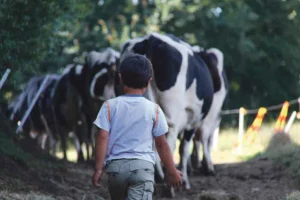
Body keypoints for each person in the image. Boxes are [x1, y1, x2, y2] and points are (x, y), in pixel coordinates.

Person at [92, 53, 182, 199]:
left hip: (116, 170)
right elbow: (161, 144)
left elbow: (102, 137)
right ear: (149, 82)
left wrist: (98, 169)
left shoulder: (109, 106)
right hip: (142, 169)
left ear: (120, 78)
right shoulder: (154, 110)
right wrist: (172, 171)